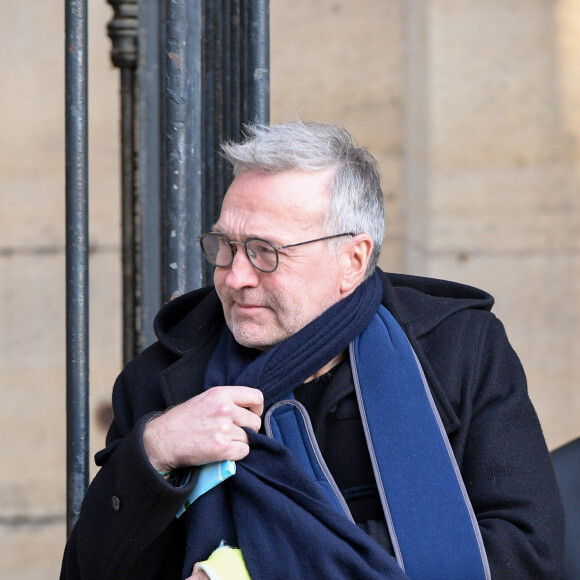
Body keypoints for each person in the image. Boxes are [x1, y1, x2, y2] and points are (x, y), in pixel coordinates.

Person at [61, 121, 564, 579]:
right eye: (225, 246)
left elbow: (526, 550)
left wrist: (261, 567)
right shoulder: (164, 379)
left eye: (265, 253)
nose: (235, 277)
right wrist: (153, 453)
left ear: (352, 259)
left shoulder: (458, 349)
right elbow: (89, 571)